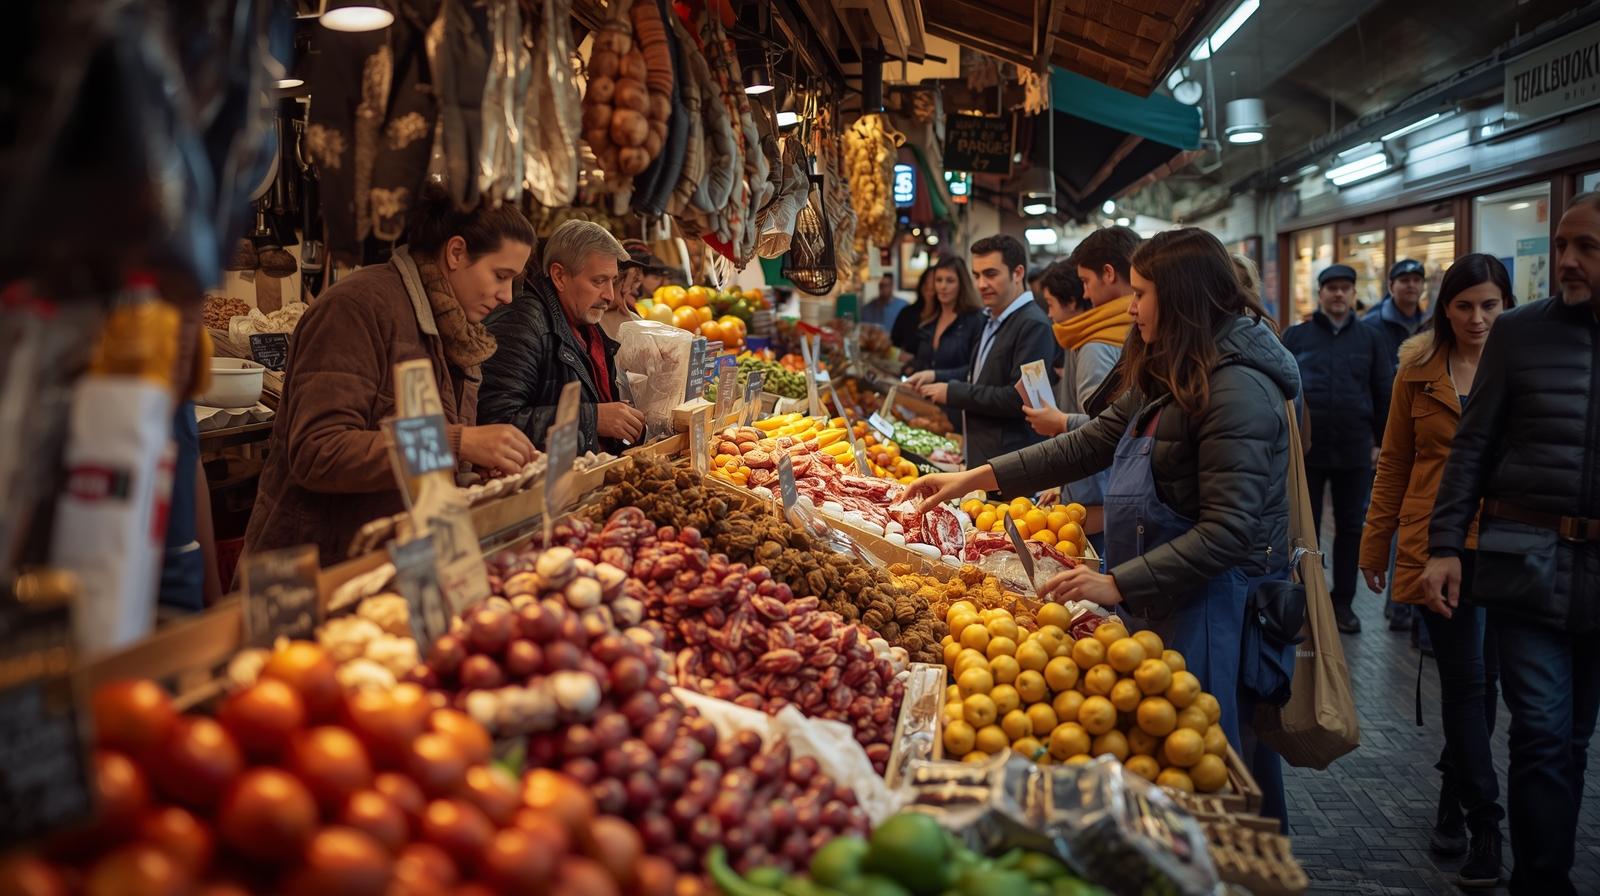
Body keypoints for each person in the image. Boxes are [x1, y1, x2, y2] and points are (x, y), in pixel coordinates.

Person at [906, 227, 1299, 824]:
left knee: (1214, 771)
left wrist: (1118, 584)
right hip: (1163, 588)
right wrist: (974, 478)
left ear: (1182, 296)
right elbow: (1090, 442)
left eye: (1141, 293)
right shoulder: (1171, 366)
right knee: (1164, 756)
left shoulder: (1237, 387)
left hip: (1219, 600)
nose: (1128, 306)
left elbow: (1230, 530)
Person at [1423, 194, 1600, 896]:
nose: (1566, 261)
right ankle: (1541, 881)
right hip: (1526, 562)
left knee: (1574, 741)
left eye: (1586, 247)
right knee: (1541, 734)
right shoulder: (1521, 333)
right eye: (1561, 244)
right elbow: (1472, 448)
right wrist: (1443, 546)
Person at [244, 188, 538, 565]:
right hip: (321, 567)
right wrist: (456, 443)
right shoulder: (355, 309)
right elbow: (317, 451)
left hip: (403, 561)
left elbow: (419, 462)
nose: (507, 296)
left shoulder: (461, 335)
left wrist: (477, 471)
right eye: (501, 275)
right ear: (456, 253)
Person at [1360, 255, 1514, 887]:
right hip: (1437, 547)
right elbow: (1395, 463)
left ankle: (1454, 793)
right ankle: (1486, 823)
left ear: (1505, 305)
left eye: (1490, 306)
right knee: (1466, 682)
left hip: (1509, 546)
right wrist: (1374, 544)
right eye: (1464, 306)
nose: (1477, 319)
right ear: (1443, 308)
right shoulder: (1416, 373)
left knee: (1491, 685)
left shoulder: (1522, 366)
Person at [1281, 264, 1394, 633]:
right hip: (1308, 450)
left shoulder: (1371, 338)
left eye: (1345, 288)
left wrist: (1380, 442)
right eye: (1332, 288)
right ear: (1321, 293)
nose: (1339, 294)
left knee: (1350, 528)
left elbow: (1382, 391)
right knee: (1304, 529)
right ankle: (1307, 599)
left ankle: (1342, 602)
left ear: (1353, 293)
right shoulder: (1297, 336)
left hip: (1355, 448)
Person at [480, 220, 645, 455]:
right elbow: (495, 423)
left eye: (613, 281)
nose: (609, 295)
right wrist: (592, 419)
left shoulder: (587, 326)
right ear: (559, 276)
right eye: (598, 281)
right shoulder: (521, 324)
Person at [1020, 244, 1134, 557]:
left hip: (1095, 489)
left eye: (1051, 304)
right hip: (1090, 486)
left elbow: (1106, 427)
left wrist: (1061, 422)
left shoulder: (1094, 345)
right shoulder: (1087, 340)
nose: (1049, 314)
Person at [907, 235, 1057, 470]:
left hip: (1010, 464)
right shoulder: (992, 317)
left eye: (991, 274)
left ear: (1017, 273)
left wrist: (954, 392)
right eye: (976, 276)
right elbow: (984, 372)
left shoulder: (1033, 325)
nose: (981, 284)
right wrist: (937, 376)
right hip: (984, 458)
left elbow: (1019, 399)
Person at [1364, 258, 1430, 632]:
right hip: (1389, 435)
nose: (1410, 286)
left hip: (1422, 433)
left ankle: (1407, 604)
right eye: (1403, 279)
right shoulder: (1373, 325)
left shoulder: (1433, 324)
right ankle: (1399, 603)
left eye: (1416, 280)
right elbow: (1370, 387)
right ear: (1391, 285)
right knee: (1392, 515)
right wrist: (1375, 439)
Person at [908, 255, 984, 390]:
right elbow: (924, 362)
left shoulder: (975, 319)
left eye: (950, 281)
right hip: (924, 402)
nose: (943, 286)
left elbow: (978, 370)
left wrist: (936, 375)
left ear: (962, 284)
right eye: (938, 280)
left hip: (958, 404)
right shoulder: (930, 319)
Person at [891, 268, 934, 360]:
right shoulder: (907, 313)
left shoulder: (944, 316)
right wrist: (898, 354)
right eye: (926, 282)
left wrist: (915, 359)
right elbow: (893, 343)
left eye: (933, 282)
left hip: (931, 372)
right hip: (905, 369)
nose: (929, 287)